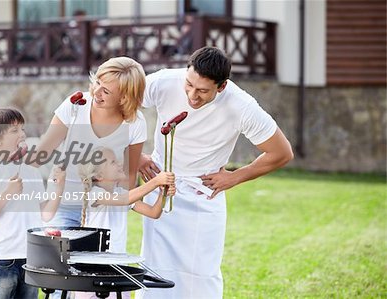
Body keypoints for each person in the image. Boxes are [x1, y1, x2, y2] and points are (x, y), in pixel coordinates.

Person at [137, 46, 294, 298]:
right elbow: (119, 103)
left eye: (202, 91)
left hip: (204, 196)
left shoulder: (241, 105)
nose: (192, 95)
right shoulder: (164, 81)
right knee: (156, 269)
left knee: (202, 273)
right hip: (161, 189)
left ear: (221, 87)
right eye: (188, 85)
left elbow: (281, 152)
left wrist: (234, 177)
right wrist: (137, 157)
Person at [32, 56, 147, 229]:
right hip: (63, 204)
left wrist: (118, 213)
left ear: (124, 98)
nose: (96, 92)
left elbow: (128, 176)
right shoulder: (74, 107)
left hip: (102, 209)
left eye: (106, 91)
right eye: (98, 82)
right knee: (59, 253)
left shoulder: (135, 123)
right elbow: (42, 153)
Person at [0, 108, 66, 299]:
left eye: (22, 129)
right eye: (14, 131)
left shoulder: (31, 173)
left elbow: (46, 215)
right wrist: (7, 193)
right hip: (2, 262)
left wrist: (58, 188)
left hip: (31, 260)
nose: (22, 134)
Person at [73, 147, 175, 299]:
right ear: (100, 175)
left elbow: (154, 213)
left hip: (116, 269)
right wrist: (155, 182)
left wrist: (163, 193)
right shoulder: (94, 193)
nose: (119, 164)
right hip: (93, 273)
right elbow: (124, 200)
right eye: (113, 162)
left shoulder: (120, 193)